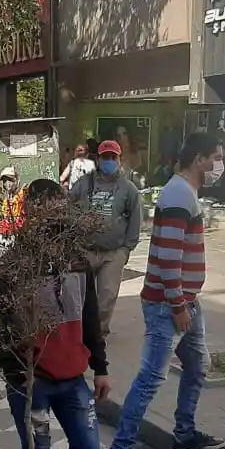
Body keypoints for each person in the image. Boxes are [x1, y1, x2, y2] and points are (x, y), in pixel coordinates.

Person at [100, 133, 225, 449]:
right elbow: (169, 258)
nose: (220, 165)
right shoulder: (177, 194)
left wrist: (185, 300)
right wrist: (177, 304)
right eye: (216, 157)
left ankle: (184, 434)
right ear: (199, 158)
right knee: (151, 377)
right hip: (168, 304)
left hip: (184, 300)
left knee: (197, 365)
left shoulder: (184, 193)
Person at [0, 179, 112, 449]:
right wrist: (15, 371)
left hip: (72, 379)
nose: (55, 216)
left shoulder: (78, 263)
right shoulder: (10, 267)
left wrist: (101, 368)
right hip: (31, 381)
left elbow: (90, 319)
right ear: (30, 212)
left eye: (59, 208)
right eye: (45, 209)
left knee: (88, 447)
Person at [68, 140, 143, 336]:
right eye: (105, 157)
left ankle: (98, 332)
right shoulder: (84, 184)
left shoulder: (128, 189)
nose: (109, 161)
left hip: (113, 253)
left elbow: (136, 219)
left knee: (107, 297)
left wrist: (127, 249)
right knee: (79, 296)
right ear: (98, 159)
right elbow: (67, 205)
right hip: (85, 250)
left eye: (113, 157)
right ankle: (81, 331)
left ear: (119, 159)